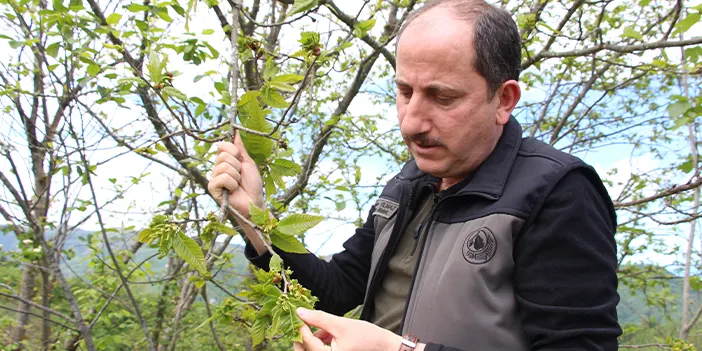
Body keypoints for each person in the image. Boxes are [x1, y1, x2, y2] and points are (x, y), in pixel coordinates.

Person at [208, 0, 622, 349]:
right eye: (405, 92)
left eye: (442, 97)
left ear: (504, 98)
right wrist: (254, 218)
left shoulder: (558, 192)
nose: (411, 123)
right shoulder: (409, 185)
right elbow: (333, 292)